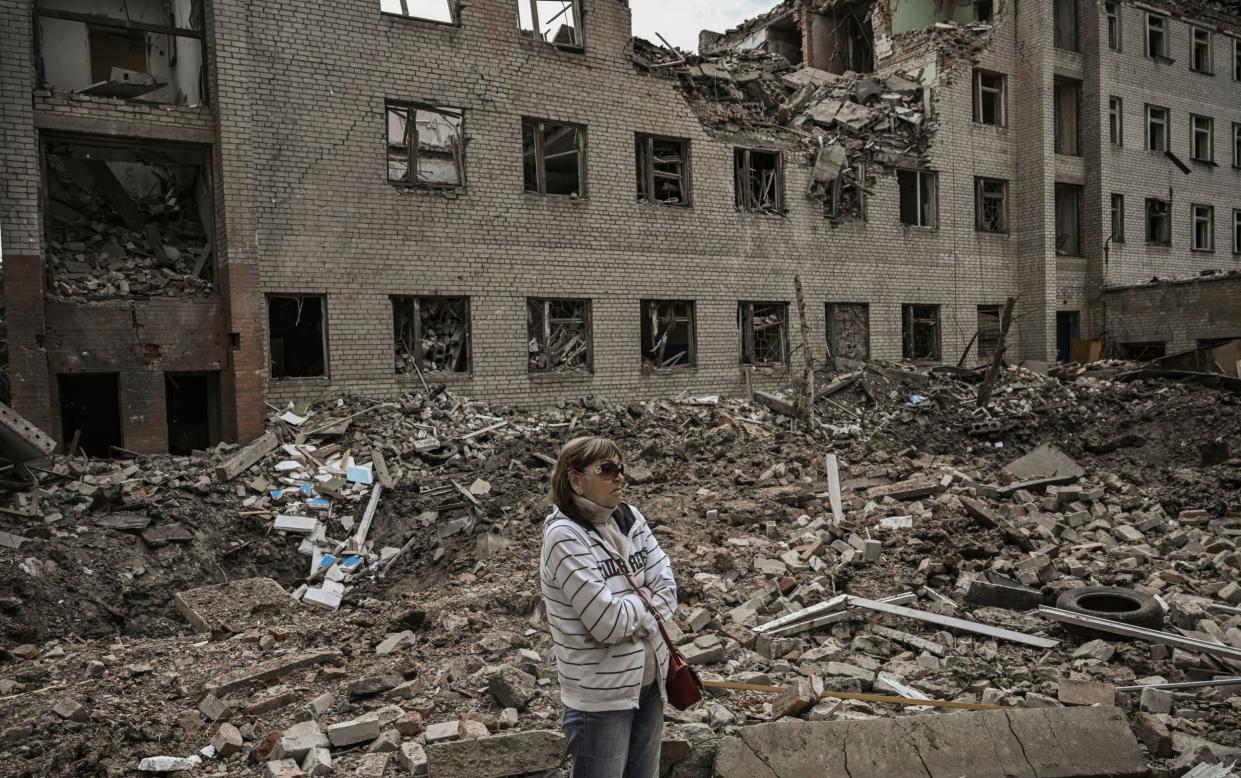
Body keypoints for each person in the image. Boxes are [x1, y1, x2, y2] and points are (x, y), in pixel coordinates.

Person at [539, 436, 677, 778]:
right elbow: (607, 622)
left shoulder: (630, 517)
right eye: (607, 469)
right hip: (601, 698)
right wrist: (646, 599)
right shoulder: (564, 536)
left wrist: (632, 604)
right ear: (576, 480)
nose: (620, 477)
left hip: (650, 683)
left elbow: (669, 589)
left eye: (621, 468)